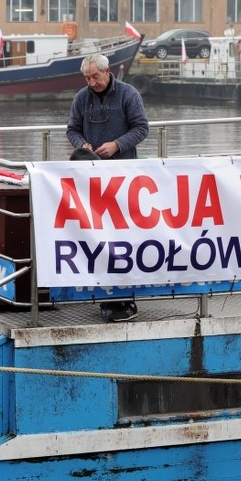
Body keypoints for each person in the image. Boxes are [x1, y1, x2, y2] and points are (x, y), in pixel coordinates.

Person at [67, 53, 149, 322]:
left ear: (107, 72)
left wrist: (117, 145)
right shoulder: (82, 98)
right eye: (87, 78)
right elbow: (72, 129)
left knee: (123, 237)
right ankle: (106, 293)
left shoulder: (128, 94)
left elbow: (141, 128)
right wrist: (81, 144)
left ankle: (125, 298)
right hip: (92, 181)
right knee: (99, 237)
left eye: (95, 77)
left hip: (124, 179)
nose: (91, 83)